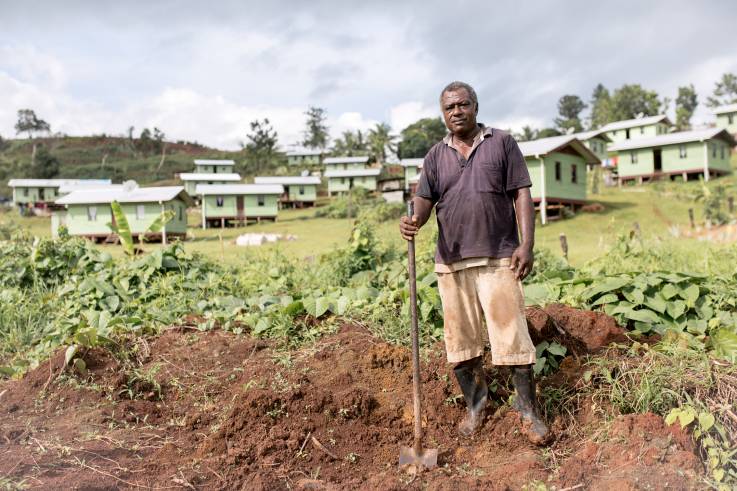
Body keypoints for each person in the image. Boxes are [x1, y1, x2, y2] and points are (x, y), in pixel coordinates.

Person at [399, 81, 549, 444]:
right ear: (443, 114)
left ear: (476, 107)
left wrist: (526, 245)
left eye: (462, 105)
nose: (456, 112)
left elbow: (521, 194)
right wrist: (415, 220)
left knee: (511, 335)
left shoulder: (502, 143)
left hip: (498, 256)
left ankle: (528, 412)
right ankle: (477, 405)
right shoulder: (435, 155)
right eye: (449, 108)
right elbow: (425, 199)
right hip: (452, 263)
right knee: (460, 340)